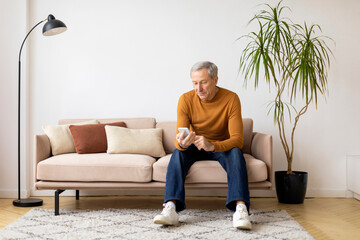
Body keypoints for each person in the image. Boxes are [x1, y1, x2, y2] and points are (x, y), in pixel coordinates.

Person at [153, 61, 251, 230]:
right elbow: (179, 139)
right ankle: (170, 207)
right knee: (178, 153)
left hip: (220, 146)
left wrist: (212, 145)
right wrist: (182, 144)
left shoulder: (231, 98)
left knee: (236, 152)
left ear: (215, 80)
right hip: (195, 145)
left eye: (203, 82)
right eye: (195, 83)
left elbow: (237, 139)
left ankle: (241, 209)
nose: (198, 88)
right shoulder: (185, 99)